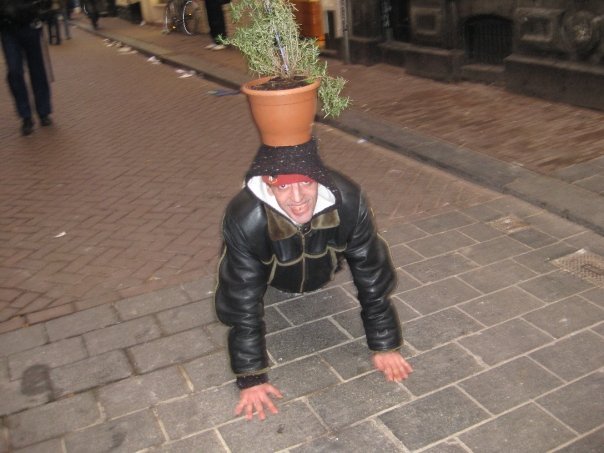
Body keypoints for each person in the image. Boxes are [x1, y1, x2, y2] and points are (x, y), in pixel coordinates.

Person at [215, 138, 413, 421]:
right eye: (283, 186)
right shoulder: (245, 217)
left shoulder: (348, 200)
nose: (297, 198)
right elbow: (241, 294)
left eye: (306, 183)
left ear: (319, 180)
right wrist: (250, 377)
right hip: (273, 277)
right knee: (245, 279)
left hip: (323, 273)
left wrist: (384, 344)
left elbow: (372, 272)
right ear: (268, 185)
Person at [0, 0, 53, 136]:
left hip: (30, 25)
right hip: (8, 28)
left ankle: (43, 112)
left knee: (37, 70)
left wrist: (43, 10)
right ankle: (25, 116)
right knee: (14, 71)